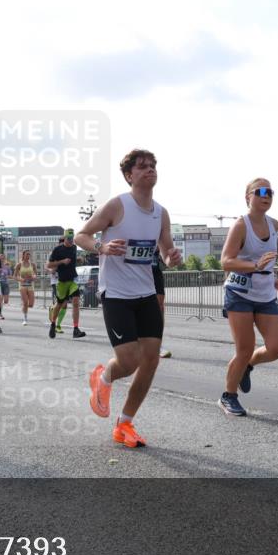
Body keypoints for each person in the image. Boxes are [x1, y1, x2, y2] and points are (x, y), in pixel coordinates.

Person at [79, 149, 181, 448]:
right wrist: (102, 246)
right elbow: (81, 235)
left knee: (150, 361)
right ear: (129, 175)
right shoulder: (117, 205)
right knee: (129, 361)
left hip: (146, 293)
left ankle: (125, 424)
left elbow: (165, 252)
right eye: (142, 167)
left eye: (153, 166)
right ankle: (104, 377)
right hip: (117, 295)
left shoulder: (160, 212)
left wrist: (172, 258)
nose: (150, 170)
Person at [218, 178, 278, 417]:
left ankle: (248, 366)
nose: (266, 196)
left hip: (265, 292)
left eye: (270, 192)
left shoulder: (274, 225)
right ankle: (228, 396)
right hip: (239, 293)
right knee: (244, 347)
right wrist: (255, 266)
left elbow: (267, 258)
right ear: (248, 197)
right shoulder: (241, 225)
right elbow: (226, 261)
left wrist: (272, 276)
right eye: (260, 191)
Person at [46, 229, 86, 339]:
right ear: (64, 238)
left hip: (73, 279)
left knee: (76, 302)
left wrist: (78, 260)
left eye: (72, 239)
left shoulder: (74, 247)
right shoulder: (57, 249)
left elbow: (73, 261)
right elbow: (49, 265)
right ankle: (53, 324)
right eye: (68, 239)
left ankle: (76, 329)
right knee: (59, 305)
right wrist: (62, 262)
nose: (70, 241)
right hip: (62, 281)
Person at [152, 252, 171, 358]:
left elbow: (167, 254)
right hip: (134, 272)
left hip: (154, 270)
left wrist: (170, 257)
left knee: (159, 307)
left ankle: (157, 344)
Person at [16, 250, 37, 325]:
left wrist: (34, 277)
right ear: (23, 255)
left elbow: (35, 274)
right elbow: (15, 276)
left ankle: (24, 307)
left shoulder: (33, 264)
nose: (28, 256)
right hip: (22, 286)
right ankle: (25, 319)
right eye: (27, 254)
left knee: (31, 304)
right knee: (25, 302)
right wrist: (21, 279)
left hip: (30, 285)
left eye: (29, 254)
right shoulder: (19, 265)